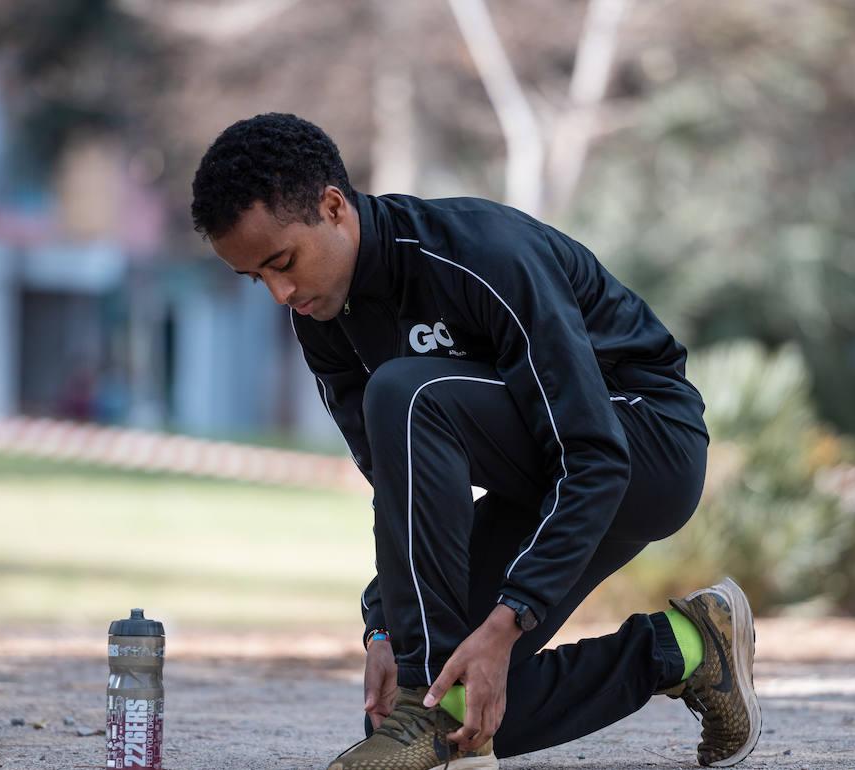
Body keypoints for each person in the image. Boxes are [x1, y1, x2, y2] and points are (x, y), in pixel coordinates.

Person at [189, 113, 761, 769]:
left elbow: (594, 454)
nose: (280, 292)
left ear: (333, 207)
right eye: (256, 278)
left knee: (408, 393)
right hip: (543, 474)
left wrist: (507, 620)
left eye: (282, 262)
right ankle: (688, 649)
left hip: (643, 443)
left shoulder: (482, 253)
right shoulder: (325, 320)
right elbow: (398, 490)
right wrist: (384, 627)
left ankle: (421, 706)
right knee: (455, 709)